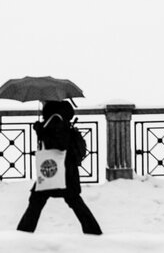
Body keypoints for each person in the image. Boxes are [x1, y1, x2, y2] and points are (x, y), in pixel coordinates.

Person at [16, 100, 102, 235]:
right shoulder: (58, 119)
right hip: (64, 170)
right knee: (72, 201)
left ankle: (22, 233)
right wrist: (41, 129)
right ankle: (93, 231)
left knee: (38, 201)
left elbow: (59, 143)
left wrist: (40, 130)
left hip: (59, 170)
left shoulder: (56, 119)